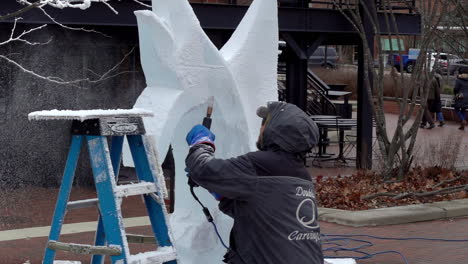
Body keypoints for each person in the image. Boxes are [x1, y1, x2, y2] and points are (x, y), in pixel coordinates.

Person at [185, 101, 324, 264]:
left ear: (276, 129)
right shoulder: (302, 175)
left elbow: (202, 169)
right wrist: (224, 195)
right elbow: (263, 213)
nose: (260, 128)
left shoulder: (260, 164)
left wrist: (201, 144)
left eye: (264, 123)